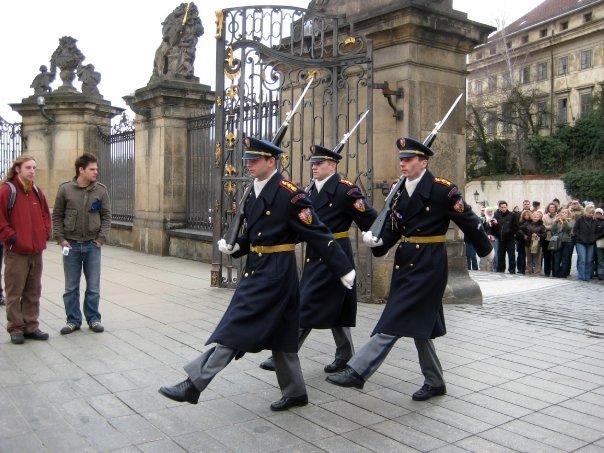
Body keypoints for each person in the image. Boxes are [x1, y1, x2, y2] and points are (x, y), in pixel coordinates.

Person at [158, 137, 355, 411]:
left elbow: (318, 232)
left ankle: (194, 383)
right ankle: (296, 392)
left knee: (235, 329)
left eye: (255, 160)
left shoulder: (291, 195)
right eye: (247, 160)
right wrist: (237, 245)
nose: (248, 164)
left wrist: (343, 267)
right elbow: (253, 234)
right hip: (258, 269)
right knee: (283, 336)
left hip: (276, 273)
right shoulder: (253, 190)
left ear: (271, 162)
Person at [325, 137, 493, 401]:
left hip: (429, 263)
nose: (402, 163)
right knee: (418, 324)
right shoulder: (399, 190)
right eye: (401, 159)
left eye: (408, 159)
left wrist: (485, 250)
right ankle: (435, 381)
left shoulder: (442, 190)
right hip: (405, 262)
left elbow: (469, 220)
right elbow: (395, 227)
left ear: (423, 163)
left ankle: (358, 370)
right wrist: (379, 241)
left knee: (396, 316)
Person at [259, 144, 377, 373]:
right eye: (313, 163)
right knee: (336, 308)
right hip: (314, 255)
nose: (314, 167)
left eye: (319, 163)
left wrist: (376, 236)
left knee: (305, 305)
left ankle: (284, 353)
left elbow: (370, 218)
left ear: (332, 166)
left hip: (335, 256)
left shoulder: (346, 191)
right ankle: (345, 355)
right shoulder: (309, 191)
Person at [52, 153, 111, 335]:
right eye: (92, 169)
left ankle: (93, 319)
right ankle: (73, 320)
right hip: (71, 245)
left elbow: (106, 216)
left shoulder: (101, 190)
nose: (96, 172)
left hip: (92, 245)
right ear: (81, 170)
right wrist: (61, 239)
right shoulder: (65, 189)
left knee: (93, 287)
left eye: (96, 169)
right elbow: (57, 216)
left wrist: (101, 239)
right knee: (71, 287)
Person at [0, 155, 51, 344]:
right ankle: (16, 328)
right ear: (18, 169)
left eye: (34, 168)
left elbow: (45, 214)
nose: (32, 171)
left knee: (33, 290)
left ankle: (31, 326)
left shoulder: (36, 191)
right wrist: (11, 236)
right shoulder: (7, 190)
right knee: (14, 292)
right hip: (17, 252)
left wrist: (45, 232)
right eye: (28, 167)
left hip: (36, 251)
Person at [573, 205, 598, 282]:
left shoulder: (594, 221)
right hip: (581, 242)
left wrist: (594, 238)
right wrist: (580, 237)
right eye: (590, 212)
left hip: (591, 242)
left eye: (592, 213)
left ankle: (587, 276)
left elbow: (597, 231)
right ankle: (581, 276)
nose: (591, 214)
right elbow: (575, 230)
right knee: (582, 259)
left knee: (589, 260)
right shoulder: (580, 219)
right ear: (586, 211)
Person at [493, 200, 519, 274]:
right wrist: (495, 227)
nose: (503, 208)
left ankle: (512, 270)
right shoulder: (496, 215)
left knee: (511, 255)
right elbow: (494, 227)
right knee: (500, 255)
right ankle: (501, 270)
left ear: (507, 207)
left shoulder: (512, 215)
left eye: (505, 207)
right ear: (499, 207)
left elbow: (516, 227)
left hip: (510, 239)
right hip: (500, 239)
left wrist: (509, 232)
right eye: (502, 207)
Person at [551, 208, 574, 278]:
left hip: (566, 241)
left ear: (568, 214)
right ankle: (556, 273)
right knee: (557, 258)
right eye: (562, 212)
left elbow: (569, 228)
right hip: (557, 241)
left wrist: (564, 220)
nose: (563, 214)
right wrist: (555, 221)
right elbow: (553, 230)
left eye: (565, 213)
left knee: (565, 258)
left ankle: (563, 273)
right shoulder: (557, 221)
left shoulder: (570, 221)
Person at [541, 202, 558, 277]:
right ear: (548, 208)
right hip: (547, 238)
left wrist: (549, 226)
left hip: (555, 239)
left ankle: (555, 272)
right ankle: (547, 272)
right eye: (550, 207)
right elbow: (543, 227)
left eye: (553, 207)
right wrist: (552, 226)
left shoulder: (558, 216)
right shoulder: (544, 217)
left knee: (554, 256)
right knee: (546, 256)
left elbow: (559, 227)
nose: (552, 208)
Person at [515, 209, 532, 275]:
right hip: (521, 241)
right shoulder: (520, 222)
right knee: (521, 255)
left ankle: (528, 269)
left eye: (528, 215)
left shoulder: (531, 222)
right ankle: (522, 269)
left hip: (528, 241)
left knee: (528, 256)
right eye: (525, 215)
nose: (526, 216)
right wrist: (523, 235)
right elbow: (517, 231)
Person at [595, 208, 604, 280]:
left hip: (599, 241)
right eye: (597, 213)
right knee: (599, 259)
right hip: (598, 243)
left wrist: (595, 236)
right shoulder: (594, 221)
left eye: (599, 213)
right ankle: (600, 274)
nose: (598, 214)